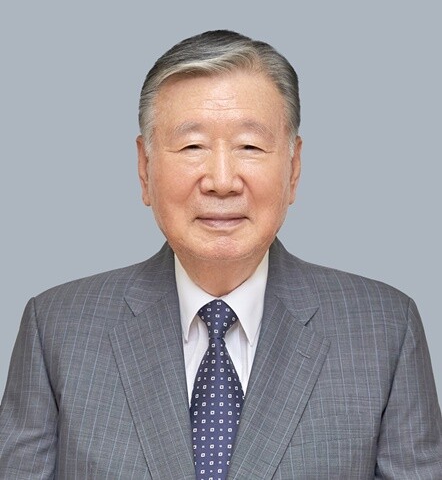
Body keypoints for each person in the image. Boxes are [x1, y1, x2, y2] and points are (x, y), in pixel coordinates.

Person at [0, 30, 440, 479]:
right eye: (192, 147)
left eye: (250, 146)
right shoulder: (57, 329)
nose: (222, 181)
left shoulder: (385, 330)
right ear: (144, 169)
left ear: (293, 169)